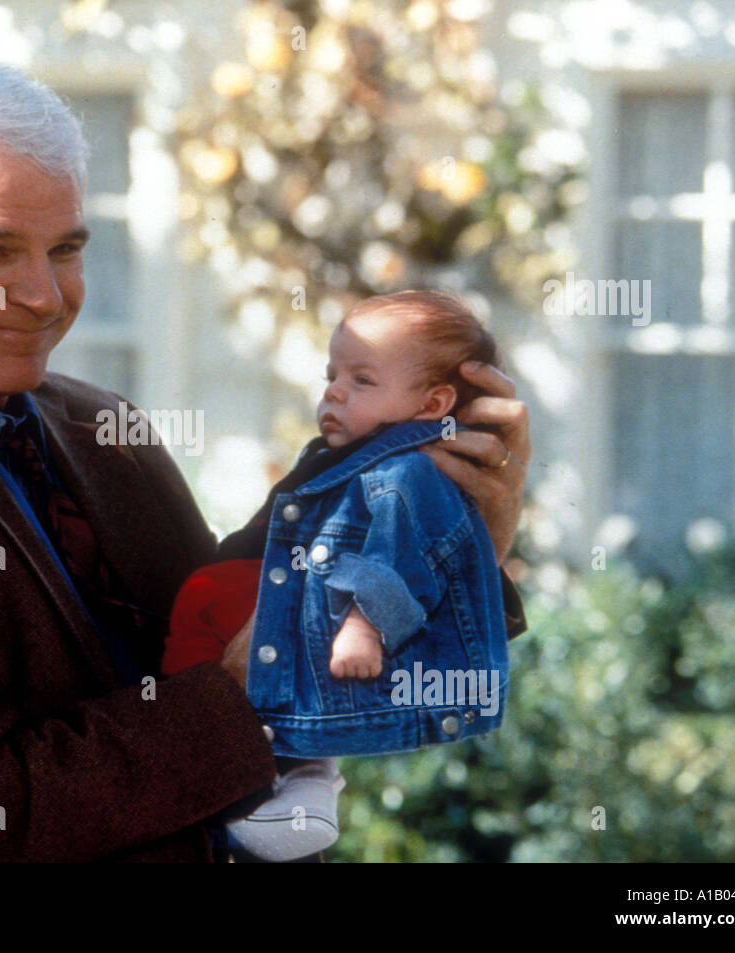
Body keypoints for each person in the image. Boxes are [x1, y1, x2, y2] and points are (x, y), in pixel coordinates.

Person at [0, 58, 532, 862]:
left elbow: (236, 602)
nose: (44, 294)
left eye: (64, 248)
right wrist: (237, 698)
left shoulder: (97, 422)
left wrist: (455, 521)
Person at [164, 290, 520, 861]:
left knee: (222, 632)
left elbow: (396, 556)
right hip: (285, 596)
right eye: (333, 374)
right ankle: (283, 775)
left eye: (362, 380)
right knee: (217, 637)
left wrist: (364, 625)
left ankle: (278, 774)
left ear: (432, 404)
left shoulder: (407, 472)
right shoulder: (355, 456)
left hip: (323, 613)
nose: (333, 390)